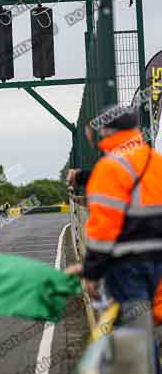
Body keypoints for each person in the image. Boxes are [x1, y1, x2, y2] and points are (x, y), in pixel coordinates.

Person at [66, 105, 162, 311]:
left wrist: (91, 272)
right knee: (147, 330)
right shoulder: (156, 161)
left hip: (128, 265)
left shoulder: (109, 168)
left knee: (133, 336)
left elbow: (104, 230)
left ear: (106, 131)